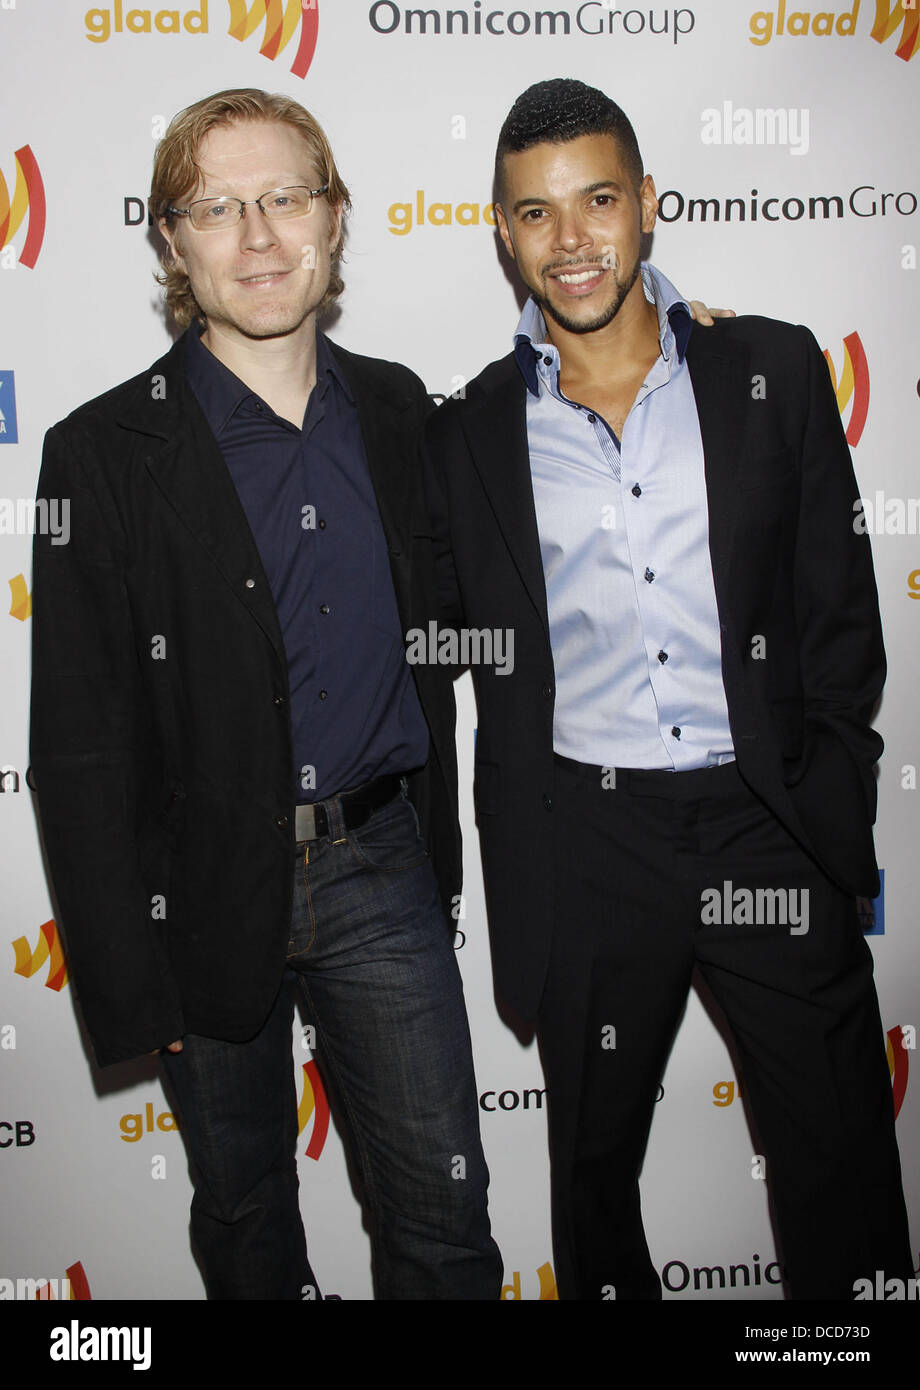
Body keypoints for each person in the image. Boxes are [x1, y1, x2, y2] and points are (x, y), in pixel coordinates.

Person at [424, 78, 912, 1301]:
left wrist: (822, 791)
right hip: (589, 843)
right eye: (534, 214)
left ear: (646, 205)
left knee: (839, 1160)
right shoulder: (470, 432)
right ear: (501, 233)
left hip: (762, 823)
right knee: (590, 1187)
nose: (571, 239)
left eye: (596, 200)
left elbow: (836, 615)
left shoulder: (772, 369)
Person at [30, 87, 501, 1301]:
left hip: (380, 868)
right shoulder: (97, 454)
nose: (257, 237)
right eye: (217, 208)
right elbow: (80, 747)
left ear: (336, 219)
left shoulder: (401, 409)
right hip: (194, 891)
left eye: (286, 197)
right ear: (171, 241)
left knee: (444, 1226)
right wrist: (128, 980)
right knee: (246, 1224)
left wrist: (695, 341)